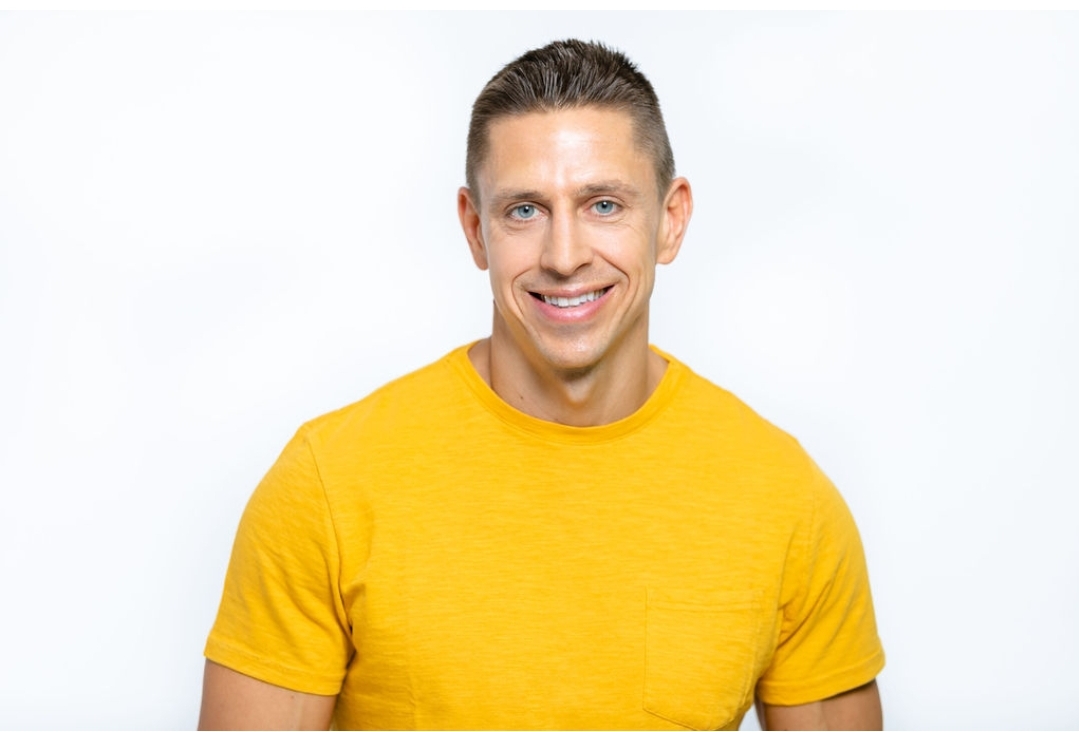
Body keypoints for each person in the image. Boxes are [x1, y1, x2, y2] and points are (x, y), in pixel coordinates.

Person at [198, 39, 884, 730]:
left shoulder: (785, 499)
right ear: (475, 229)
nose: (564, 256)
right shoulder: (328, 484)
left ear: (670, 221)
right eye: (524, 210)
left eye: (603, 205)